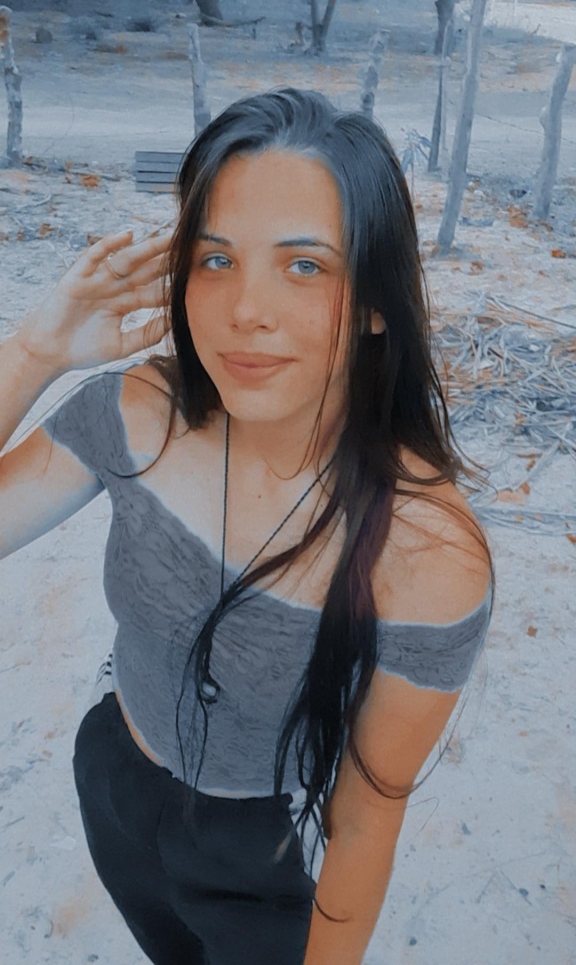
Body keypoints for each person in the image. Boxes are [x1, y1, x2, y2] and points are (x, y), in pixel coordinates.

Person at [0, 88, 492, 965]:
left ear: (376, 302)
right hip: (113, 777)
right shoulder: (139, 414)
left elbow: (367, 814)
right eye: (216, 259)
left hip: (260, 851)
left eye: (304, 265)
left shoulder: (425, 551)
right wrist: (35, 351)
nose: (243, 311)